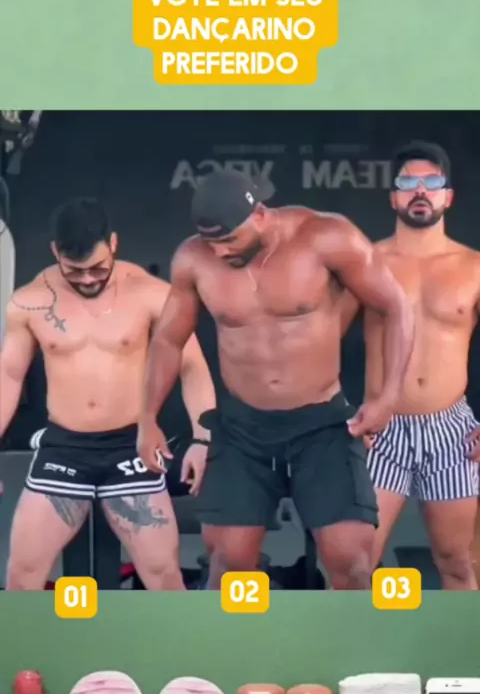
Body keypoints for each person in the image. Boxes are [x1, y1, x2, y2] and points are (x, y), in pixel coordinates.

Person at [137, 169, 415, 590]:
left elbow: (395, 306)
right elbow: (168, 341)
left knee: (351, 561)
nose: (220, 251)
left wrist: (388, 397)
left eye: (229, 239)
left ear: (260, 215)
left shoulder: (326, 237)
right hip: (242, 428)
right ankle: (237, 637)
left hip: (321, 424)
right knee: (228, 564)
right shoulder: (193, 260)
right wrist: (148, 417)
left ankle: (350, 637)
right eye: (211, 242)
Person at [0, 197, 215, 591]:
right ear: (55, 252)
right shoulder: (29, 302)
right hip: (63, 449)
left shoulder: (151, 294)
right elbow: (8, 376)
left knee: (164, 575)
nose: (87, 280)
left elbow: (193, 368)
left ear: (113, 243)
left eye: (98, 268)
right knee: (22, 574)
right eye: (74, 271)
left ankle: (182, 637)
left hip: (130, 448)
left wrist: (203, 439)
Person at [341, 141, 480, 590]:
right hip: (381, 430)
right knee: (355, 566)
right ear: (394, 197)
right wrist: (341, 414)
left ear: (448, 196)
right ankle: (346, 641)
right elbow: (320, 339)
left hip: (452, 432)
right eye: (408, 183)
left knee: (459, 562)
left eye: (432, 182)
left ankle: (464, 639)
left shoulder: (474, 267)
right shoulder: (367, 262)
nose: (420, 191)